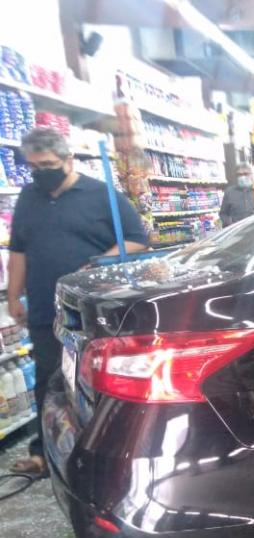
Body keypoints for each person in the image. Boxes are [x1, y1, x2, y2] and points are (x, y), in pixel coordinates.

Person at [6, 127, 148, 475]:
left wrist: (98, 262)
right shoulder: (28, 197)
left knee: (95, 383)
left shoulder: (103, 196)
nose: (41, 172)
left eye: (48, 164)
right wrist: (13, 295)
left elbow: (137, 240)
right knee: (48, 381)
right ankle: (43, 453)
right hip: (44, 306)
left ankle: (102, 455)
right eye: (34, 166)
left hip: (93, 312)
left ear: (69, 159)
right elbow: (18, 250)